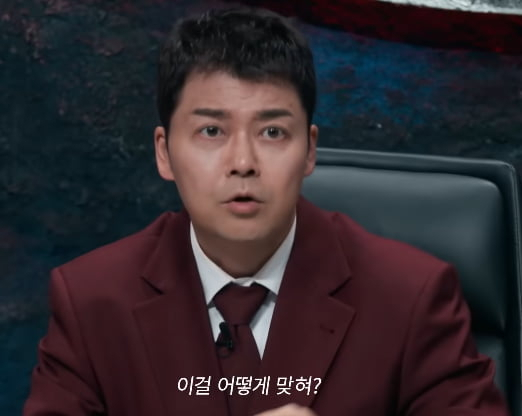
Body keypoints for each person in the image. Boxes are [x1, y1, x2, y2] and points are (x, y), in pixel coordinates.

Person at [24, 6, 510, 416]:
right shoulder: (91, 301)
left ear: (310, 151)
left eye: (272, 132)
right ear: (164, 152)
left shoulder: (411, 296)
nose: (243, 162)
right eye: (211, 131)